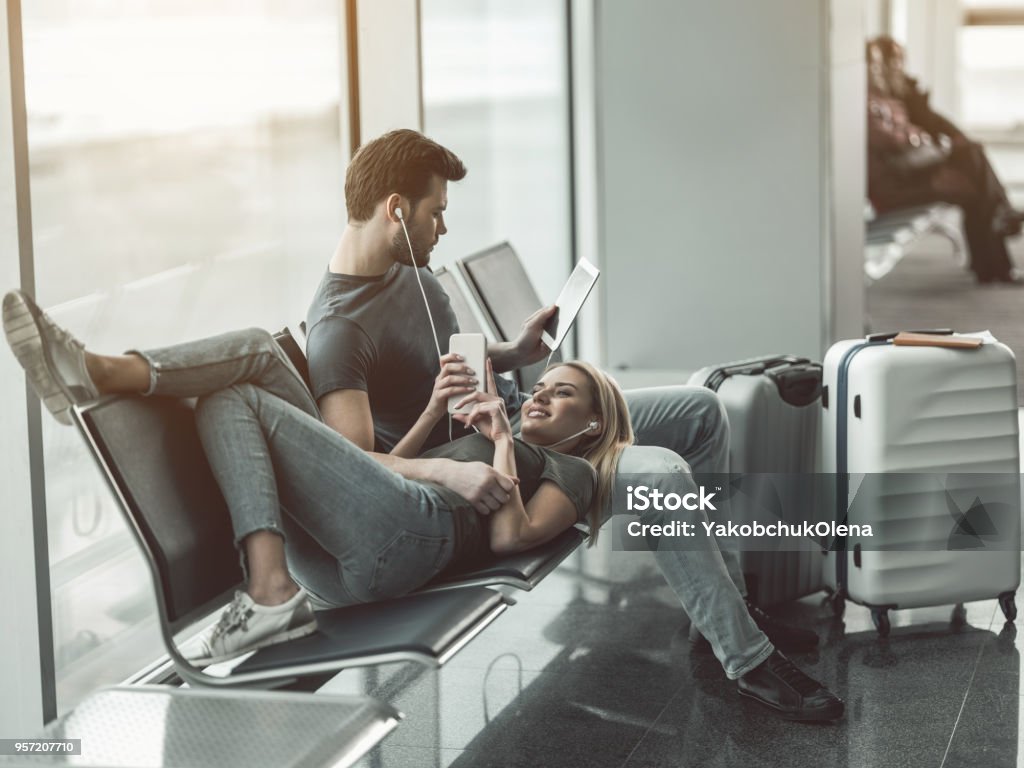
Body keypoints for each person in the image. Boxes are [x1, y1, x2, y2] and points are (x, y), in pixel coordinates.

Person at [303, 129, 844, 721]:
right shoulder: (339, 329)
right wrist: (457, 431)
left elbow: (451, 366)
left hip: (512, 421)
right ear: (396, 211)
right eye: (437, 214)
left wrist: (514, 352)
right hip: (484, 472)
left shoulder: (407, 270)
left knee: (699, 412)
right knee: (657, 475)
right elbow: (354, 462)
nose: (444, 229)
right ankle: (747, 659)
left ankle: (724, 610)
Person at [3, 289, 617, 661]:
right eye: (540, 387)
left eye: (561, 397)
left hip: (408, 543)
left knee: (242, 378)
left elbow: (511, 535)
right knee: (242, 371)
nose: (538, 397)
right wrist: (436, 417)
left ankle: (95, 372)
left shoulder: (571, 470)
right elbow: (377, 467)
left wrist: (504, 441)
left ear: (590, 428)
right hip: (362, 540)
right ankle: (270, 588)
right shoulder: (483, 431)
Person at [866, 36, 1023, 284]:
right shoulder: (866, 101)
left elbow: (923, 125)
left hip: (908, 173)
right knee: (973, 170)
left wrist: (919, 131)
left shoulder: (891, 94)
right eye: (876, 63)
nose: (887, 67)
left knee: (975, 182)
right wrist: (919, 136)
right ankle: (998, 250)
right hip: (896, 185)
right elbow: (894, 139)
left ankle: (995, 261)